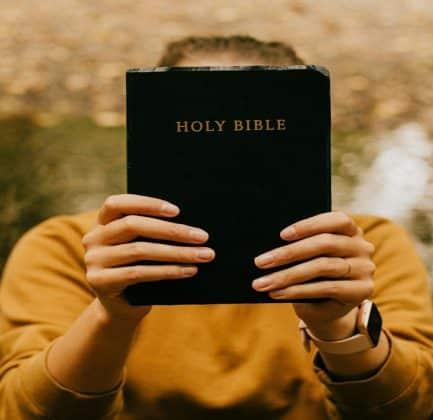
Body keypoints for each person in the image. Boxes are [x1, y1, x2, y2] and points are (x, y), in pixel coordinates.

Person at [1, 35, 433, 420]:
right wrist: (111, 314)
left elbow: (413, 406)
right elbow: (26, 409)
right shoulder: (66, 247)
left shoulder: (358, 249)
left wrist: (339, 328)